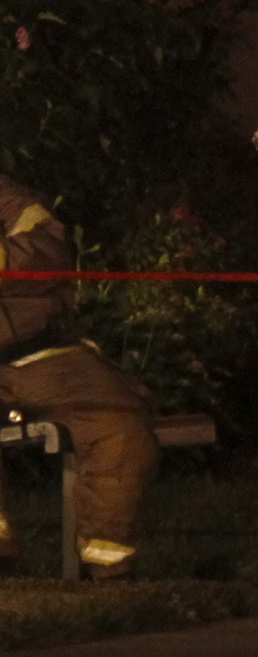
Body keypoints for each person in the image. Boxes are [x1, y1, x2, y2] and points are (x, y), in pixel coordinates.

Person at [0, 172, 158, 578]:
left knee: (119, 421)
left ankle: (108, 565)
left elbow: (49, 251)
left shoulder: (6, 196)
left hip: (43, 355)